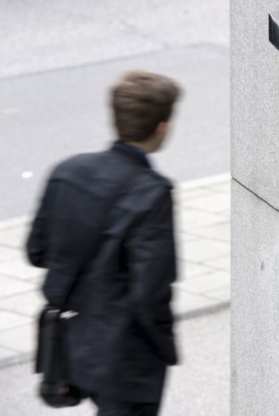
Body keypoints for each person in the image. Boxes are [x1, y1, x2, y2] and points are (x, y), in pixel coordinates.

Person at [26, 71, 181, 416]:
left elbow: (36, 251)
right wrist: (165, 348)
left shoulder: (67, 172)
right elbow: (150, 291)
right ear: (162, 127)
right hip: (128, 358)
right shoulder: (153, 193)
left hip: (73, 340)